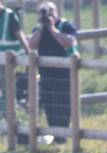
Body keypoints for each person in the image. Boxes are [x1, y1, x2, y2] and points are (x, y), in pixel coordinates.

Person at [29, 3, 78, 136]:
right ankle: (55, 134)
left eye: (50, 11)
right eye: (43, 12)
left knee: (63, 103)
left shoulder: (65, 25)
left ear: (56, 12)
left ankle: (64, 133)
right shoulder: (38, 29)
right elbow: (31, 45)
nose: (47, 14)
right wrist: (41, 28)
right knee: (49, 104)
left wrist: (51, 28)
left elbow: (69, 42)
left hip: (64, 73)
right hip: (45, 74)